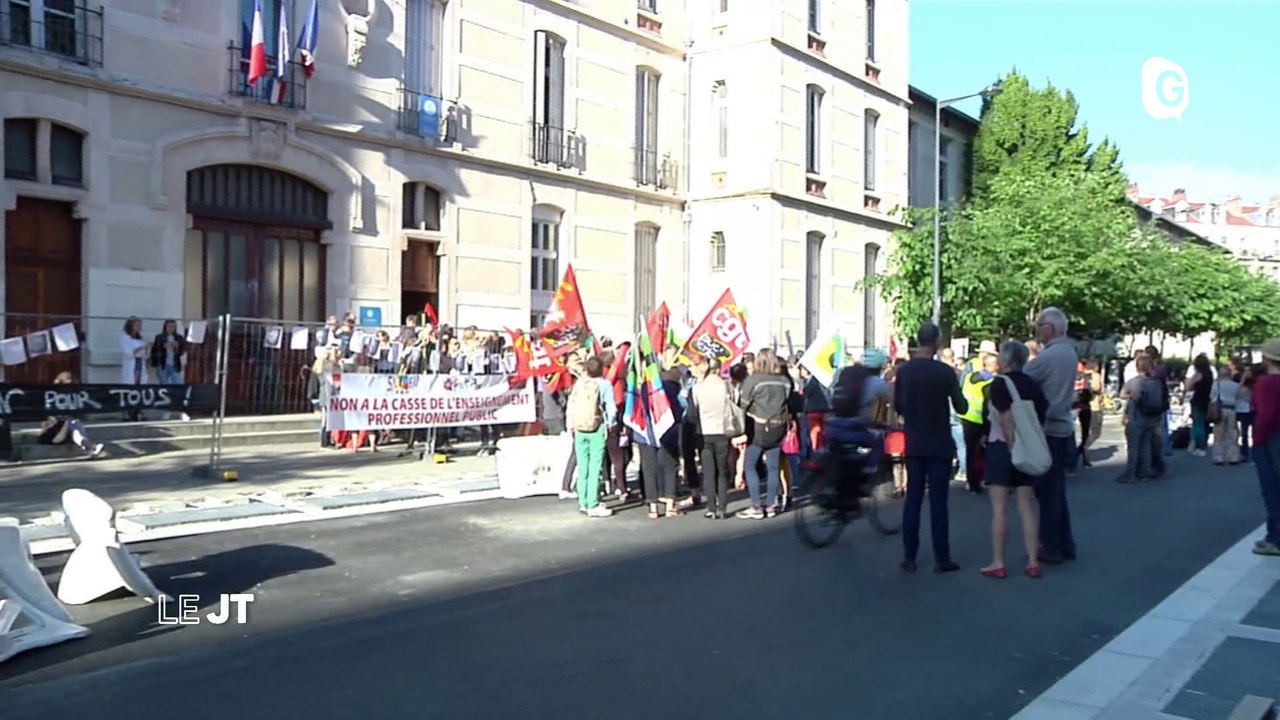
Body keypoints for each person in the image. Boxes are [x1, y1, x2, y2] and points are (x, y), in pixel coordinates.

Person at [893, 323, 966, 574]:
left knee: (913, 499)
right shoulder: (945, 372)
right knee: (938, 501)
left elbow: (899, 405)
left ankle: (909, 556)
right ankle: (941, 557)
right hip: (939, 442)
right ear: (936, 341)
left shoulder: (904, 371)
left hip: (914, 441)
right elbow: (962, 406)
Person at [980, 341, 1048, 580]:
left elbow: (1005, 416)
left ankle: (998, 561)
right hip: (1028, 449)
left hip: (1001, 448)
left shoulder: (1000, 384)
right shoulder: (1032, 385)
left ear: (1006, 360)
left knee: (999, 509)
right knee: (1026, 505)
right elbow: (1041, 417)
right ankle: (1032, 561)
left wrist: (1011, 445)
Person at [1023, 307, 1080, 565]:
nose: (1038, 329)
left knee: (1048, 491)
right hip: (1062, 425)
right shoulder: (1068, 351)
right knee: (1056, 489)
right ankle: (1065, 543)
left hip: (1048, 427)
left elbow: (1020, 379)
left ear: (1052, 327)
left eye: (1041, 324)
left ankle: (1052, 545)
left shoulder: (1050, 356)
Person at [736, 348, 794, 519]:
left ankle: (756, 505)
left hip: (758, 426)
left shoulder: (753, 380)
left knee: (750, 466)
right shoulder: (784, 381)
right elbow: (788, 402)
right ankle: (771, 504)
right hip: (779, 426)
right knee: (773, 468)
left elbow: (743, 404)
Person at [567, 356, 616, 518]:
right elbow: (611, 408)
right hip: (596, 427)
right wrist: (611, 424)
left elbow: (571, 404)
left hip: (579, 428)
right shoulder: (605, 385)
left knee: (583, 466)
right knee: (596, 467)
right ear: (602, 369)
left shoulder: (580, 384)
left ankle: (583, 501)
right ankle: (593, 503)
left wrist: (571, 425)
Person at [690, 356, 733, 519]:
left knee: (708, 472)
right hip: (722, 430)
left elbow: (693, 413)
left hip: (704, 433)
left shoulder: (698, 388)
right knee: (722, 472)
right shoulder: (725, 385)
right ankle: (722, 507)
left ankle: (711, 508)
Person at [1249, 339, 1280, 556]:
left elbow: (1265, 415)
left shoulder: (1266, 383)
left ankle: (1275, 538)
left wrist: (1257, 439)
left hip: (1270, 439)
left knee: (1271, 489)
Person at [39, 372, 106, 459]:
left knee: (74, 422)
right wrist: (59, 419)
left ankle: (89, 447)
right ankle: (90, 447)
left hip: (66, 428)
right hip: (54, 434)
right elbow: (52, 434)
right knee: (73, 422)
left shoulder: (70, 396)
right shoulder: (51, 397)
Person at [1116, 355, 1161, 483]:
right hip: (1152, 417)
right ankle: (1145, 471)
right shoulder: (1156, 382)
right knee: (1146, 445)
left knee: (1134, 446)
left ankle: (1131, 474)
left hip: (1136, 417)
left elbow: (1123, 394)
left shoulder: (1134, 382)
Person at [1184, 354, 1214, 457]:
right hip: (1207, 400)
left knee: (1198, 424)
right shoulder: (1209, 373)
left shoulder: (1198, 374)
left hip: (1197, 400)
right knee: (1205, 423)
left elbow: (1188, 387)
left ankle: (1199, 446)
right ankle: (1203, 444)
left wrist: (1192, 380)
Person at [1211, 365, 1242, 465]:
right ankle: (1233, 456)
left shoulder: (1216, 385)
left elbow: (1212, 397)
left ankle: (1219, 457)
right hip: (1232, 409)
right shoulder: (1235, 385)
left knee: (1219, 434)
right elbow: (1239, 397)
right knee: (1232, 433)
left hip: (1219, 410)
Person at [120, 316, 148, 421]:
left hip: (140, 365)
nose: (139, 327)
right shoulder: (125, 338)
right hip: (131, 365)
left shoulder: (140, 338)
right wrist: (141, 348)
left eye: (140, 325)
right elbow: (128, 353)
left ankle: (138, 411)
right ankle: (127, 412)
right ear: (130, 326)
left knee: (139, 388)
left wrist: (146, 349)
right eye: (137, 325)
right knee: (129, 388)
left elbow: (144, 355)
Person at [149, 319, 187, 385]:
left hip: (174, 365)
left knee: (178, 384)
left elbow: (182, 352)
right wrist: (163, 346)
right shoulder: (159, 337)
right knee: (163, 385)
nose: (171, 328)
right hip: (162, 365)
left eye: (173, 326)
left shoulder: (179, 337)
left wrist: (177, 346)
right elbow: (154, 351)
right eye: (169, 326)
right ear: (165, 327)